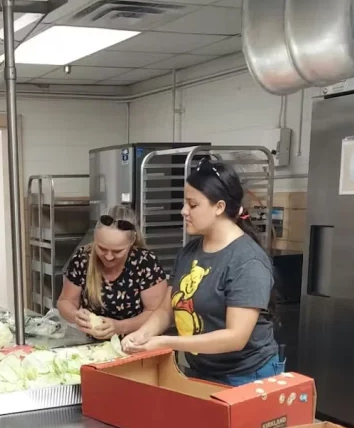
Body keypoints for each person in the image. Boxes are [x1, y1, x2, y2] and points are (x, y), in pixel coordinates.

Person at [121, 157, 283, 386]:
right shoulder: (190, 252)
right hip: (203, 371)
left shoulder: (247, 261)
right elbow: (168, 308)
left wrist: (166, 342)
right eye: (185, 203)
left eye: (192, 204)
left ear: (219, 207)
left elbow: (235, 337)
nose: (183, 211)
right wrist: (144, 333)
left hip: (246, 376)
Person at [57, 205, 168, 340]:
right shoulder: (83, 258)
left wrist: (119, 327)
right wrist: (76, 315)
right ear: (95, 239)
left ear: (131, 242)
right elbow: (65, 301)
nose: (109, 257)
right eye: (102, 248)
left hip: (136, 342)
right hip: (93, 346)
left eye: (117, 251)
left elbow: (156, 313)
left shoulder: (145, 262)